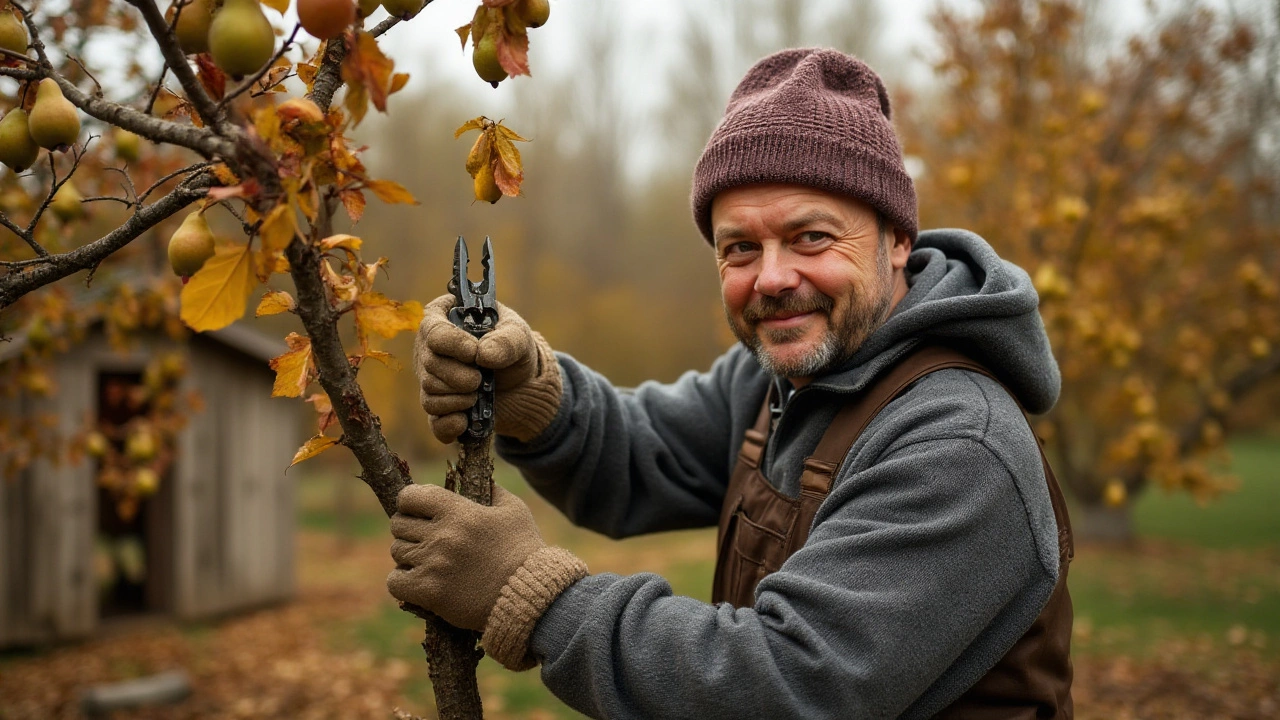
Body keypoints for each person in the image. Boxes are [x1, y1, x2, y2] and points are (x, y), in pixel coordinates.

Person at [387, 48, 1074, 719]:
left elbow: (788, 683)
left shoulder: (958, 444)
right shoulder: (780, 379)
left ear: (896, 239)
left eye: (810, 237)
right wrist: (531, 391)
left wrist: (530, 594)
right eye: (740, 247)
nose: (771, 278)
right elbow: (643, 453)